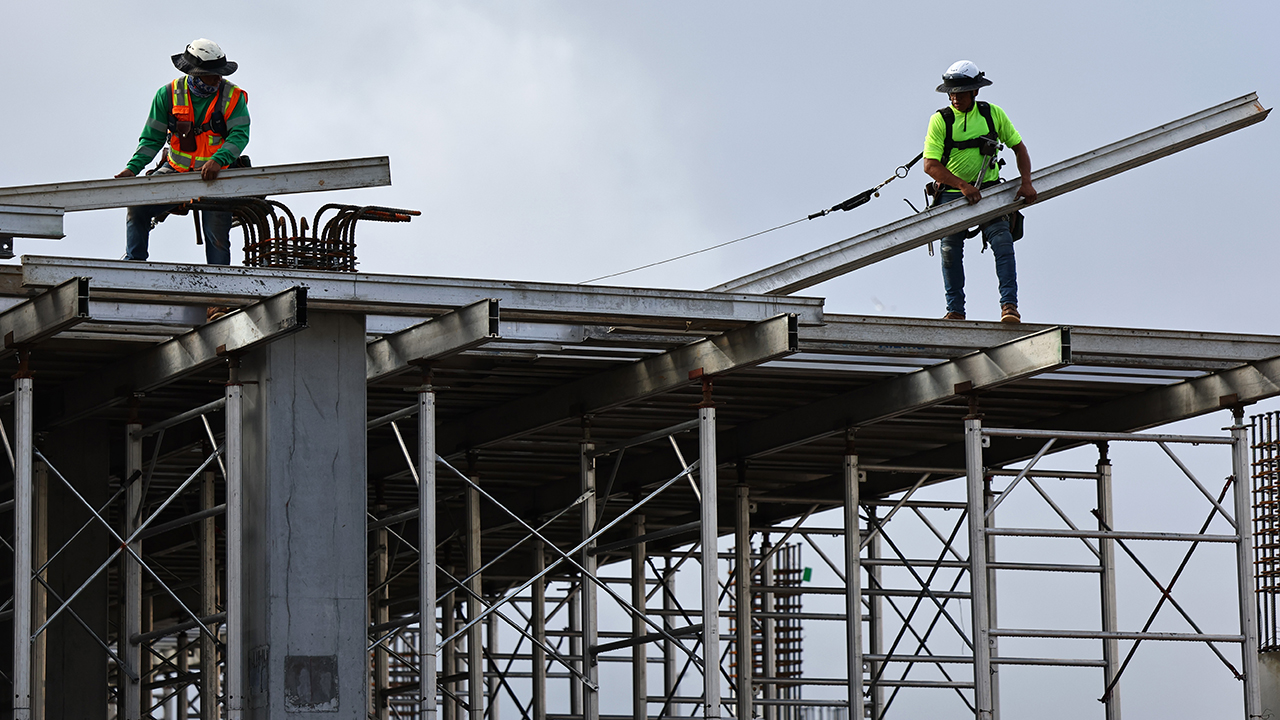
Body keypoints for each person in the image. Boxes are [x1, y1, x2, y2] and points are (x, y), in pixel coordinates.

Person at [115, 39, 250, 267]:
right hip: (176, 170)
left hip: (216, 175)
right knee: (137, 207)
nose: (218, 78)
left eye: (220, 73)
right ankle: (134, 265)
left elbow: (239, 135)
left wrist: (219, 160)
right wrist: (132, 169)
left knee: (217, 236)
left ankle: (218, 292)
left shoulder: (233, 96)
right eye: (212, 74)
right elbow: (152, 138)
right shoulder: (167, 95)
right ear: (195, 74)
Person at [922, 60, 1036, 323]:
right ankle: (955, 311)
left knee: (1002, 242)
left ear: (975, 92)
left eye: (960, 92)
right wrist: (962, 185)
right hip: (952, 193)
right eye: (951, 93)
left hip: (989, 191)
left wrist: (1026, 182)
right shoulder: (941, 120)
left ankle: (1009, 306)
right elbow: (930, 165)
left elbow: (1019, 148)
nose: (955, 98)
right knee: (950, 248)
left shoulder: (992, 114)